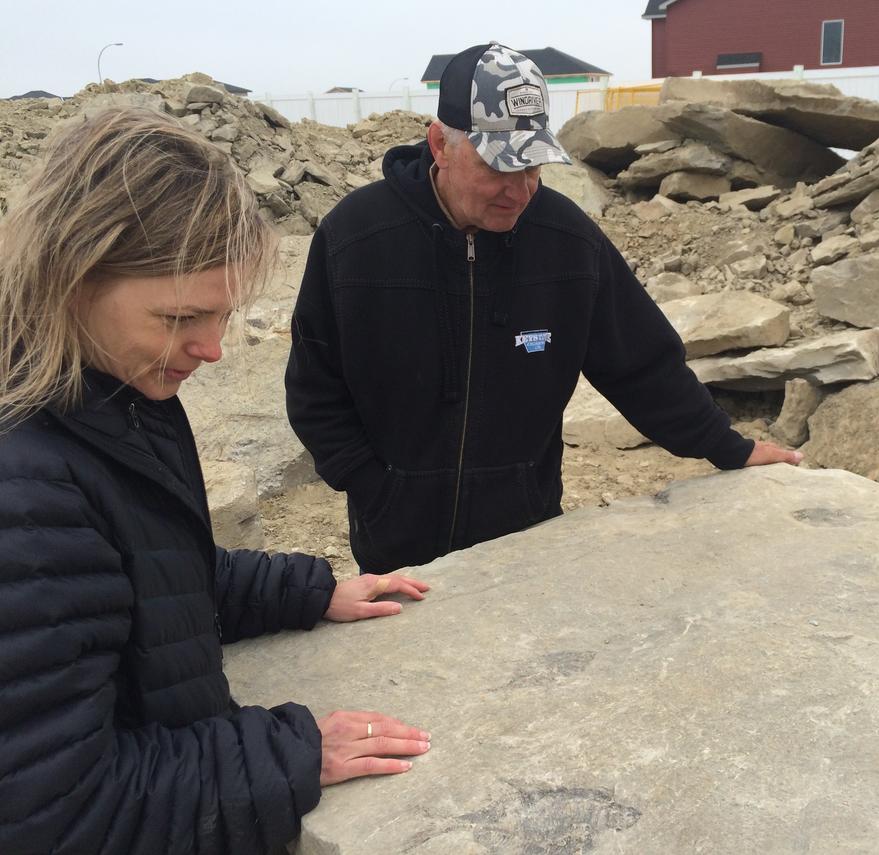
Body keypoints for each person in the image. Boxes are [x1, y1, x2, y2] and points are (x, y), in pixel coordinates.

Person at [0, 107, 432, 855]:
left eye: (224, 316)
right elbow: (55, 813)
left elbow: (146, 580)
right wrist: (290, 752)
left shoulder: (108, 390)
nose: (212, 349)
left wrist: (307, 592)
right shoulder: (24, 482)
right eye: (181, 317)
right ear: (72, 276)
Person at [285, 43, 801, 576]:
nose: (519, 190)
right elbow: (314, 385)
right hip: (394, 546)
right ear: (440, 144)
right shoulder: (356, 238)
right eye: (498, 167)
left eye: (532, 166)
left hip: (527, 537)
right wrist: (373, 484)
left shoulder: (567, 240)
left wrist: (728, 447)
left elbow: (642, 365)